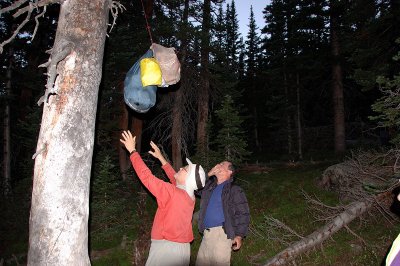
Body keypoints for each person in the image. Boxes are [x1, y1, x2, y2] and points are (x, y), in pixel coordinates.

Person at [120, 130, 206, 266]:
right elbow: (175, 179)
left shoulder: (173, 193)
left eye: (184, 169)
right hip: (183, 250)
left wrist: (132, 151)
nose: (180, 169)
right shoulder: (189, 197)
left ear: (188, 179)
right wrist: (161, 158)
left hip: (166, 250)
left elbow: (147, 177)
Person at [195, 161, 250, 266]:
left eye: (221, 164)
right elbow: (196, 187)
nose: (217, 165)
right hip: (206, 235)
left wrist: (239, 235)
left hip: (222, 234)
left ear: (230, 171)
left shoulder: (234, 189)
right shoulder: (210, 188)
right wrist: (209, 174)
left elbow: (243, 213)